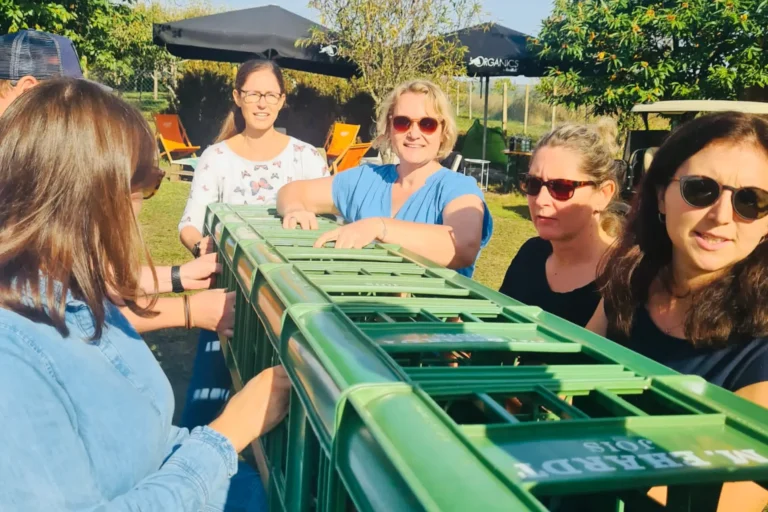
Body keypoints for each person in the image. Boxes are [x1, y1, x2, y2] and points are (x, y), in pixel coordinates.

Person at [0, 77, 289, 511]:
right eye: (146, 185)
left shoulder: (72, 296)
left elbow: (154, 442)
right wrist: (230, 431)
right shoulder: (12, 358)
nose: (144, 207)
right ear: (92, 195)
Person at [587, 111, 768, 511]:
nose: (722, 216)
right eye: (700, 189)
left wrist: (573, 456)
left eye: (751, 201)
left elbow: (727, 500)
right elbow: (566, 394)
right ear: (660, 197)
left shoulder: (761, 348)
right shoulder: (629, 283)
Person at [0, 29, 234, 337]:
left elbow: (79, 276)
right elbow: (58, 312)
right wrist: (188, 310)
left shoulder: (30, 169)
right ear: (31, 91)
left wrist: (179, 277)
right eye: (71, 102)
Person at [177, 59, 327, 429]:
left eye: (270, 95)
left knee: (287, 414)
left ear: (281, 100)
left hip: (292, 303)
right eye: (253, 94)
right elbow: (189, 225)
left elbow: (331, 223)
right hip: (230, 301)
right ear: (237, 98)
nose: (262, 103)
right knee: (204, 405)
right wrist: (202, 247)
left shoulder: (307, 158)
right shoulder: (216, 159)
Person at [276, 78, 493, 278]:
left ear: (443, 131)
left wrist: (379, 227)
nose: (414, 133)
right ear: (389, 128)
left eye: (427, 124)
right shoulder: (367, 179)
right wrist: (294, 208)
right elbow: (291, 192)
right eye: (402, 122)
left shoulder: (459, 188)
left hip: (432, 318)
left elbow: (462, 246)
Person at [498, 121, 620, 326]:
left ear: (603, 194)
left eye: (561, 187)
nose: (540, 199)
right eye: (533, 184)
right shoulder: (531, 254)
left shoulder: (625, 275)